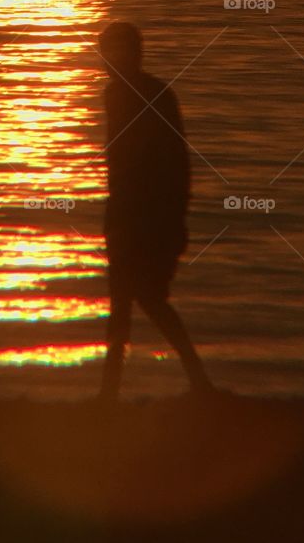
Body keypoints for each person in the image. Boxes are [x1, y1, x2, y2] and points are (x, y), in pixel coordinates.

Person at [97, 21, 214, 400]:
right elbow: (117, 163)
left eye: (114, 52)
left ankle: (194, 381)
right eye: (105, 53)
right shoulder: (113, 94)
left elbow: (177, 162)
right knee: (125, 303)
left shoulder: (156, 95)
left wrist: (176, 219)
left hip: (150, 216)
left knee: (146, 299)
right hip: (125, 213)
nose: (108, 61)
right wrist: (113, 215)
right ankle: (111, 391)